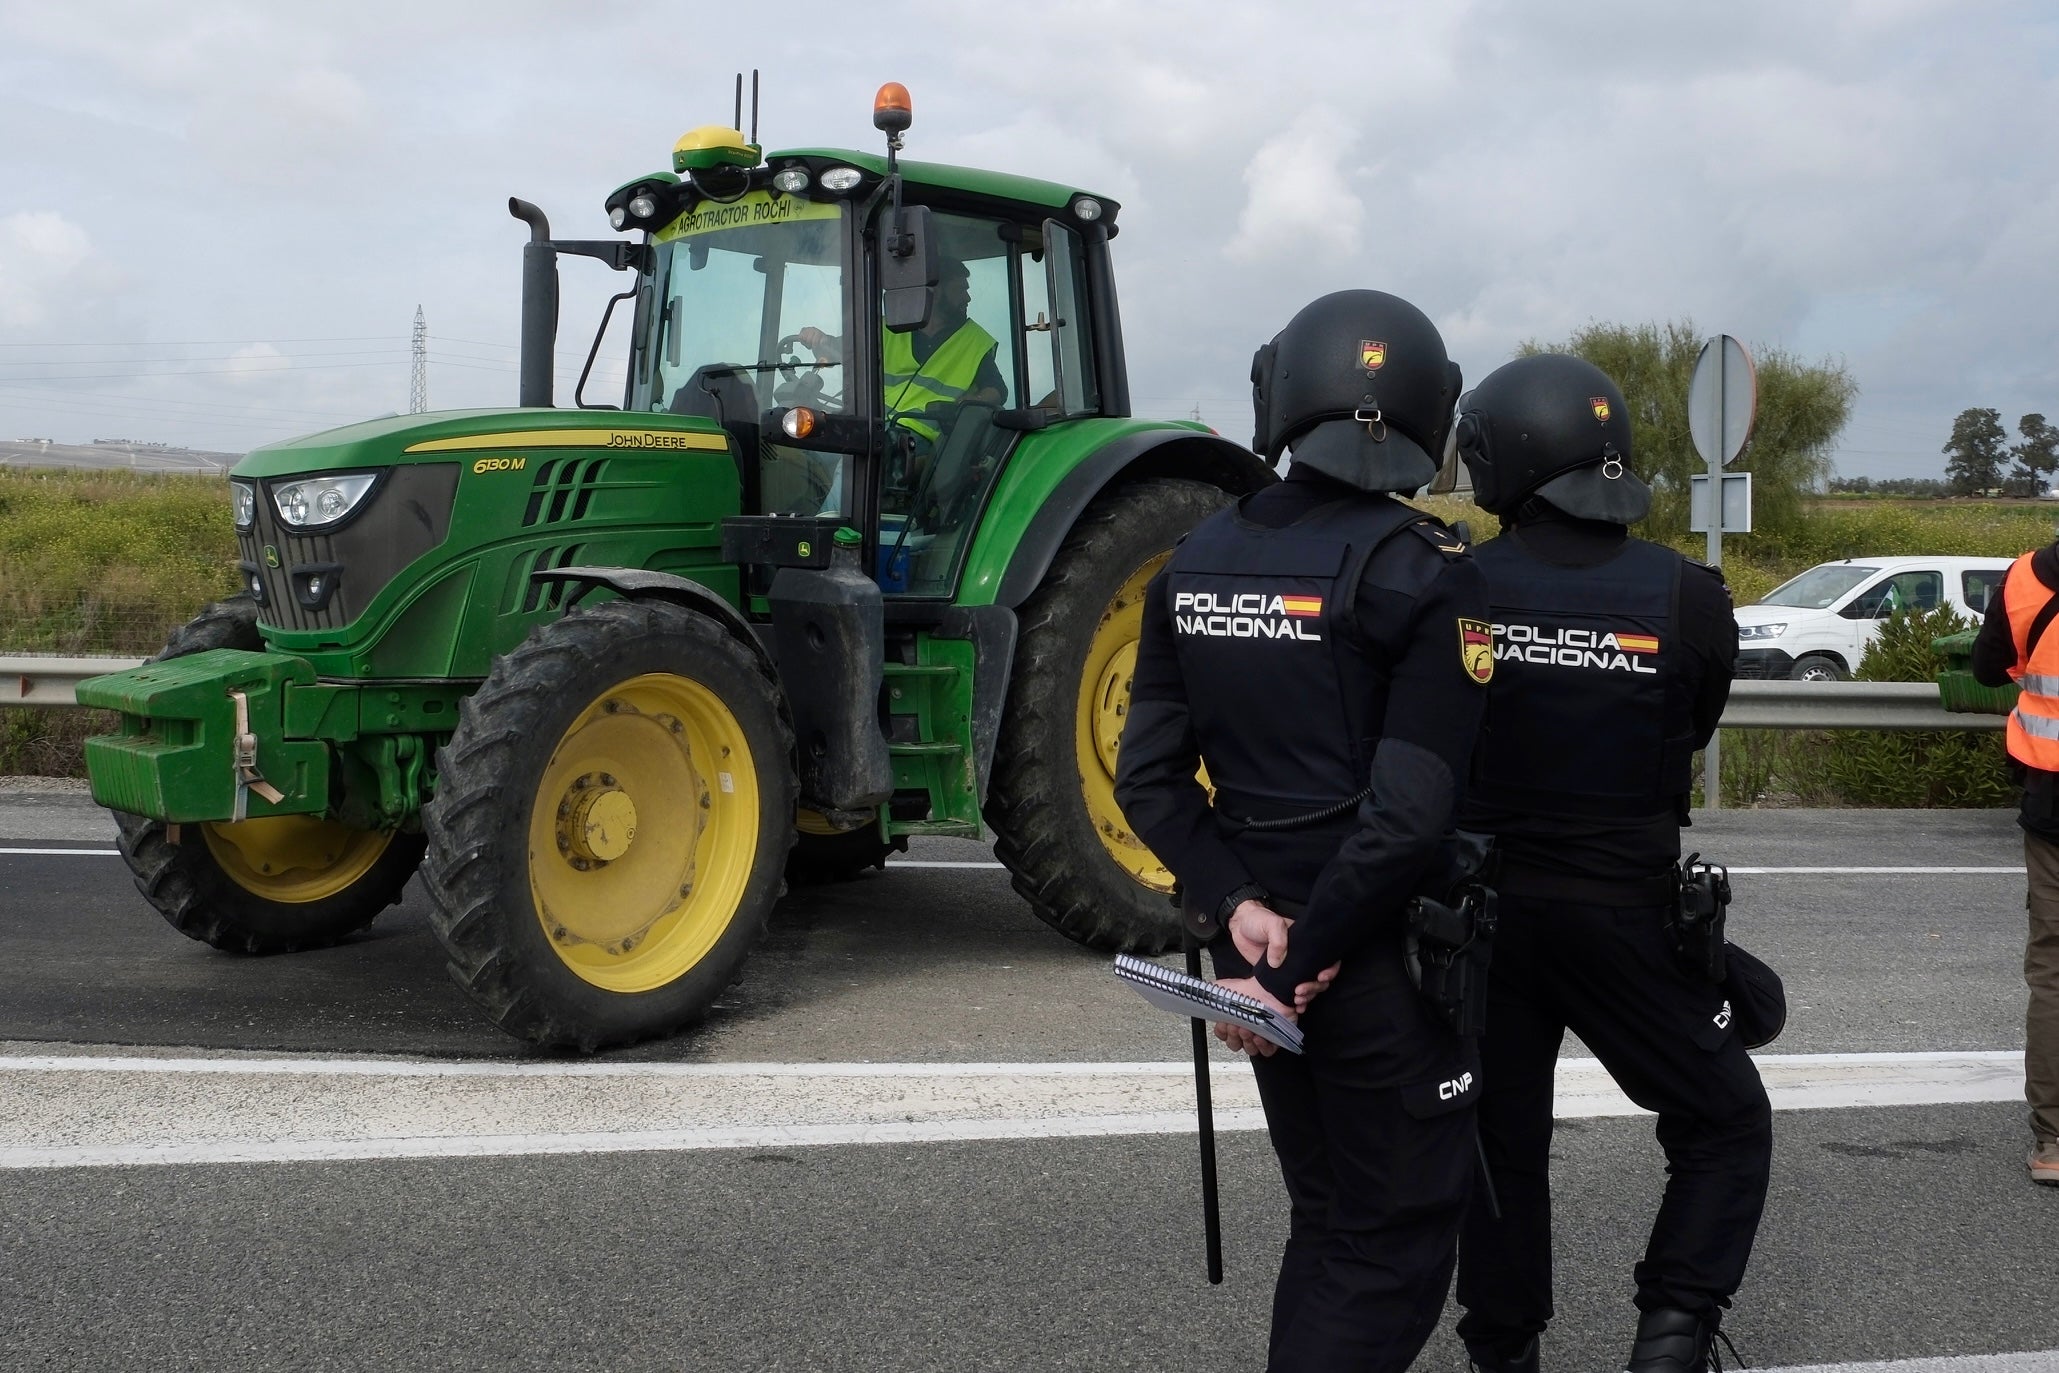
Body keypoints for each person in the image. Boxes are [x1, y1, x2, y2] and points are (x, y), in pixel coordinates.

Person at [1115, 289, 1488, 1372]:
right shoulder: (1427, 570)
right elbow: (1409, 812)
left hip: (1259, 957)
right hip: (1370, 963)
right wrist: (1306, 956)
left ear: (1278, 395)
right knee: (1392, 1240)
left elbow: (1149, 781)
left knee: (1329, 1218)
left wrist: (1244, 916)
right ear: (1426, 410)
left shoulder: (1193, 562)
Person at [1448, 354, 1771, 1373]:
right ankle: (1671, 1332)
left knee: (1498, 1143)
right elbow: (1694, 722)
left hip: (1478, 912)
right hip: (1626, 912)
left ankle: (1502, 1350)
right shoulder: (1688, 594)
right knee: (1724, 1118)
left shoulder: (1451, 580)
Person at [1970, 538, 2059, 1187]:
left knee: (2053, 971)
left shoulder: (2025, 578)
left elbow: (1985, 667)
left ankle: (2053, 1138)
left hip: (2053, 802)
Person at [796, 256, 1006, 453]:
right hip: (871, 425)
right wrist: (819, 338)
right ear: (935, 290)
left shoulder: (974, 342)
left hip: (921, 439)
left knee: (856, 462)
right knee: (807, 446)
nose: (967, 297)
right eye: (961, 290)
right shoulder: (885, 328)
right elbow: (840, 349)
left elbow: (997, 389)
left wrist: (968, 405)